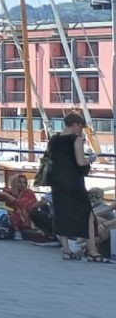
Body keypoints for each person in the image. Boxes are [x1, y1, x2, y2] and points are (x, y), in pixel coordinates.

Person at [44, 111, 97, 260]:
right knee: (88, 215)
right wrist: (91, 159)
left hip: (57, 183)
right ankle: (92, 251)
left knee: (62, 214)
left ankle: (66, 250)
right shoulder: (76, 139)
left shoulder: (54, 140)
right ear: (75, 125)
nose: (81, 130)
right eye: (81, 126)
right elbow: (80, 162)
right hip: (73, 182)